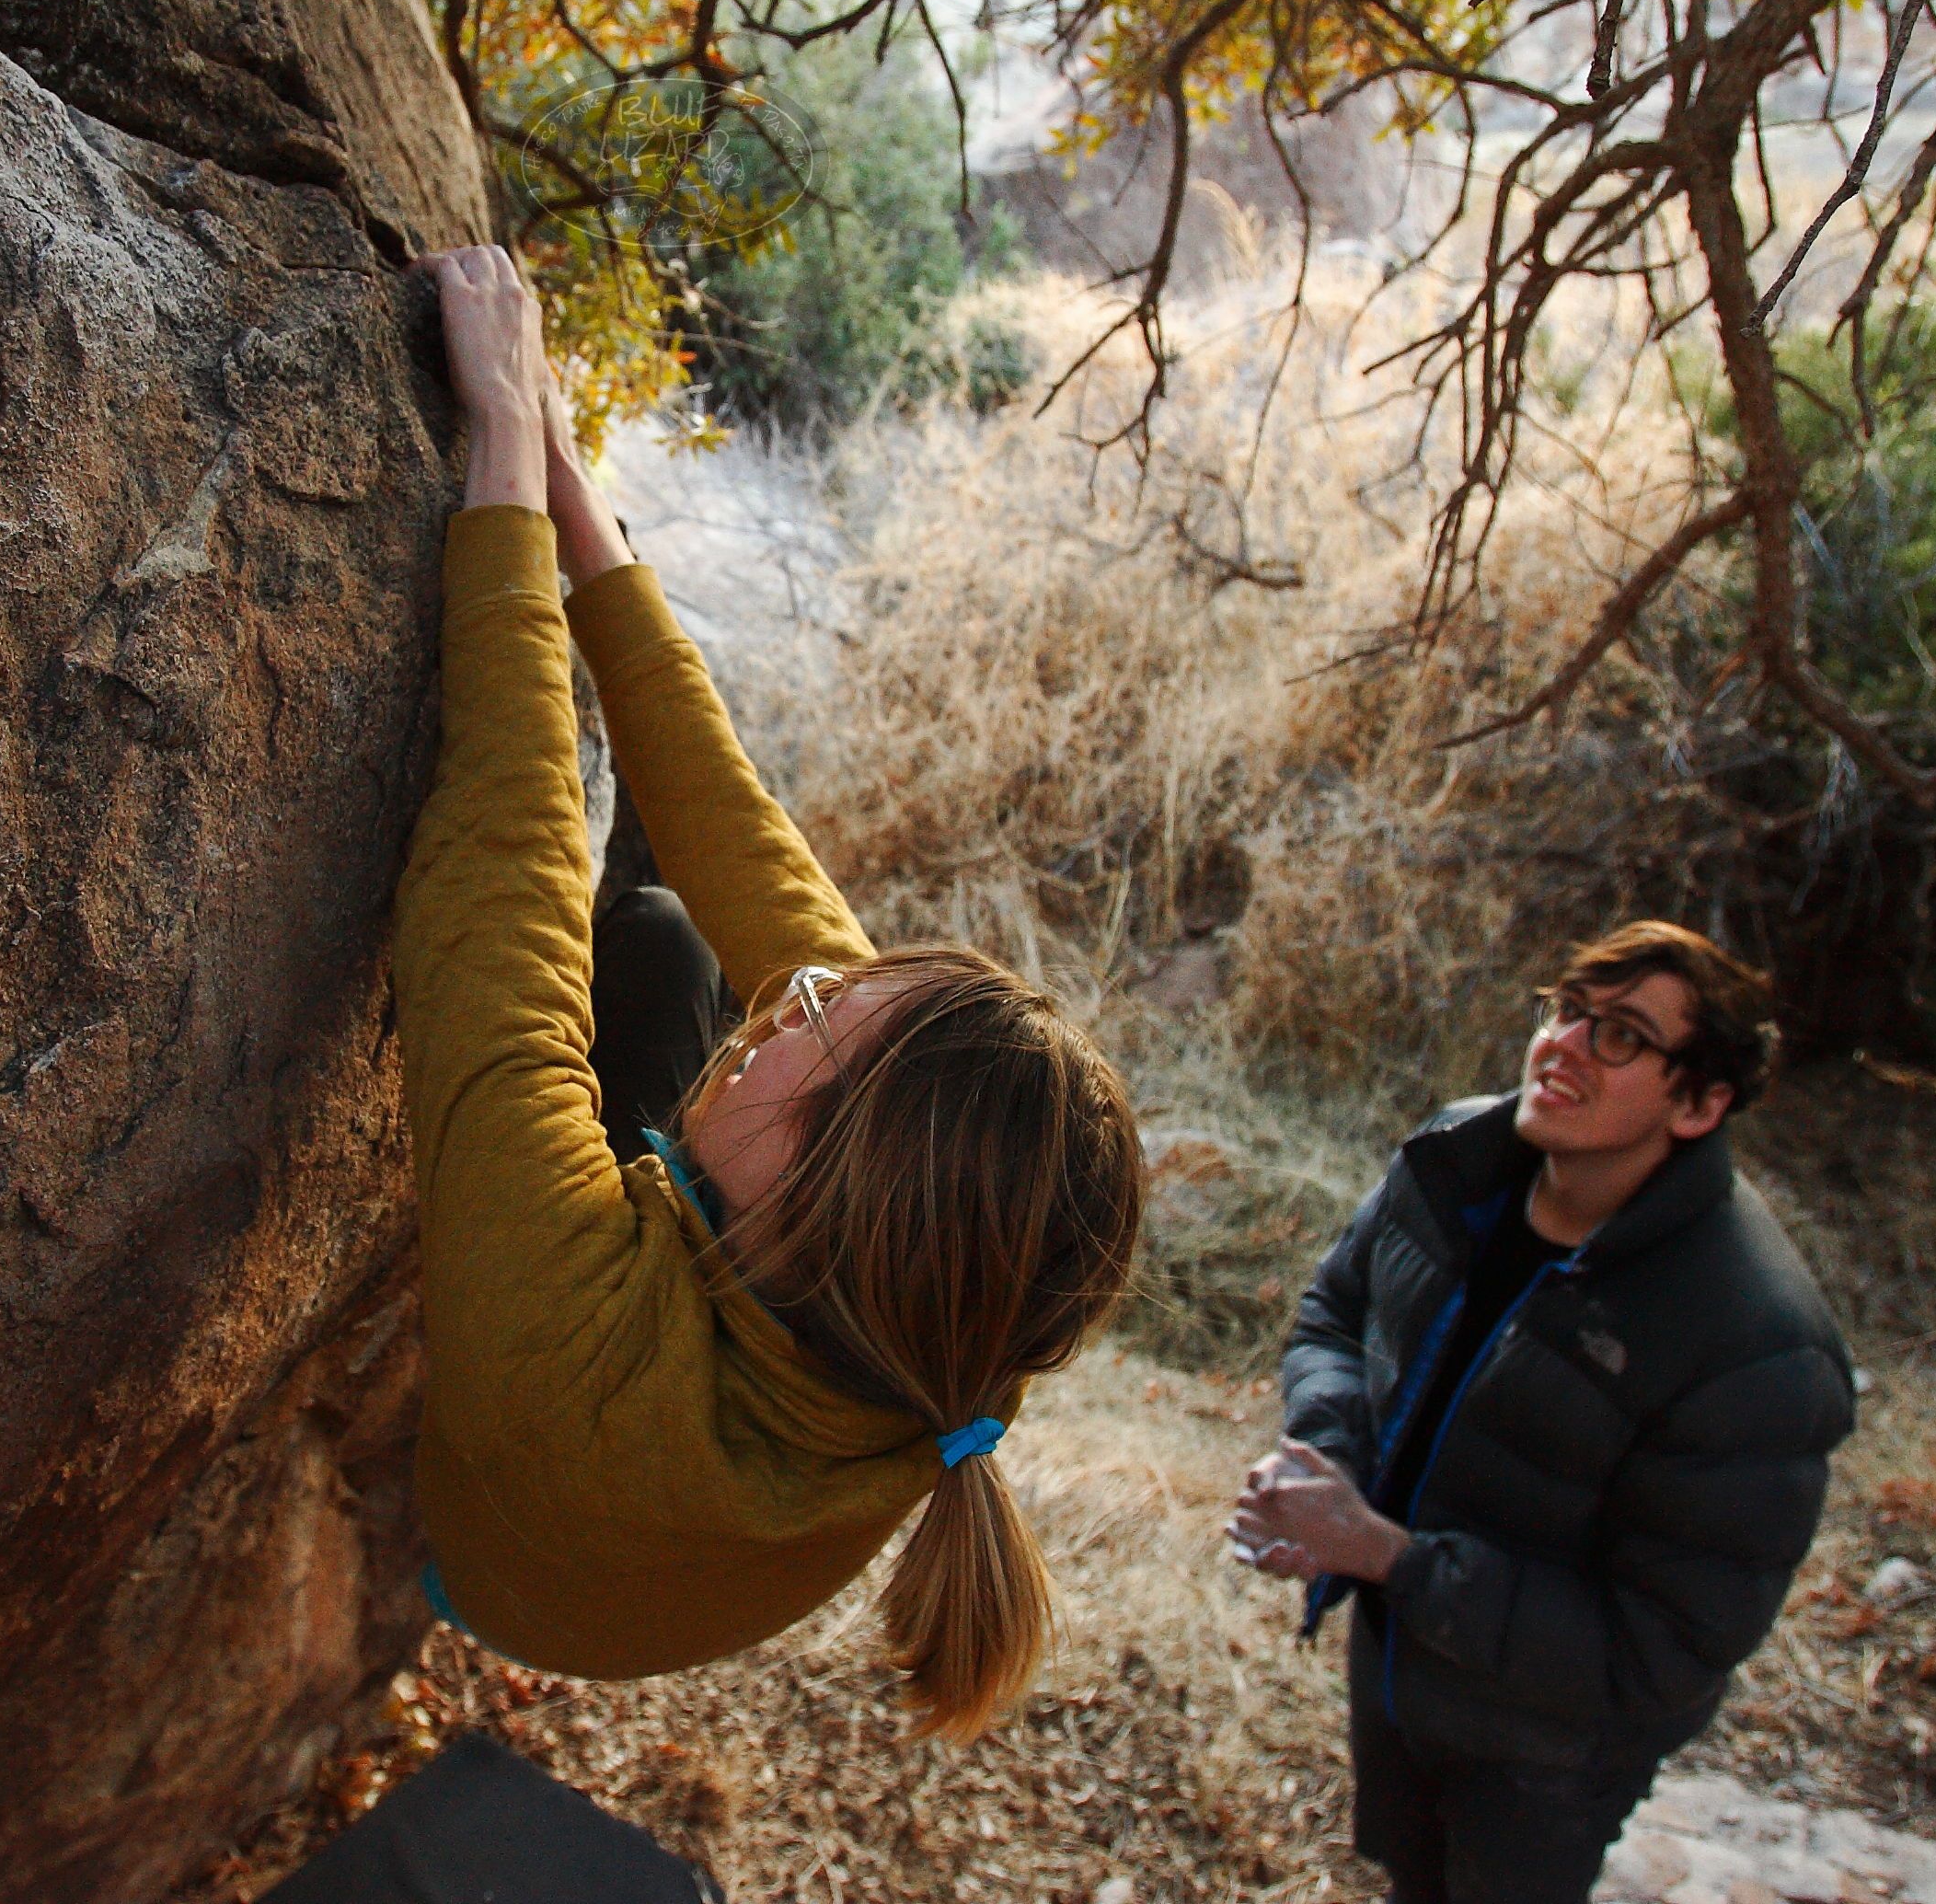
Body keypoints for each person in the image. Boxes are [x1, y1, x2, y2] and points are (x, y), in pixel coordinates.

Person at [394, 245, 1146, 1739]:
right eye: (826, 997)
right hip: (658, 1499)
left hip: (500, 1556)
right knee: (693, 888)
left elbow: (498, 875)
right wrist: (566, 487)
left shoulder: (573, 1324)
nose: (794, 1000)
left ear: (824, 1193)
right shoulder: (944, 1290)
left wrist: (486, 441)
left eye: (814, 1029)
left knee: (658, 940)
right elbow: (757, 847)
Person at [1231, 920, 1855, 1904]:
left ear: (1700, 1103)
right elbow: (1337, 1314)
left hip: (1549, 1756)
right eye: (1567, 1008)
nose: (1563, 1044)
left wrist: (1387, 1555)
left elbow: (1661, 1647)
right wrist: (1330, 1461)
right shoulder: (1457, 1165)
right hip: (1406, 1667)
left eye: (1620, 1037)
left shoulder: (1755, 1344)